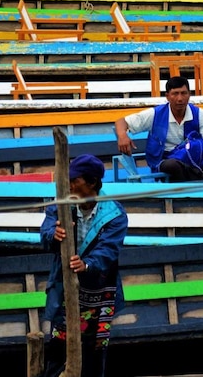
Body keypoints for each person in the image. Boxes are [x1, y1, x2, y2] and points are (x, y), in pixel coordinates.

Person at [40, 154, 128, 377]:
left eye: (74, 180)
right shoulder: (61, 205)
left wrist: (87, 264)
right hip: (65, 286)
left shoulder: (115, 214)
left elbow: (108, 251)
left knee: (94, 352)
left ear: (91, 183)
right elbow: (45, 233)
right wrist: (54, 234)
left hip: (98, 290)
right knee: (58, 350)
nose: (68, 185)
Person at [114, 76, 203, 182]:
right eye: (175, 94)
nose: (180, 98)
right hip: (167, 160)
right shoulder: (155, 114)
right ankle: (194, 188)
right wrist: (122, 135)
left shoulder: (200, 114)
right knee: (171, 166)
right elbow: (121, 122)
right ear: (167, 96)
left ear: (189, 95)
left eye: (184, 93)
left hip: (194, 158)